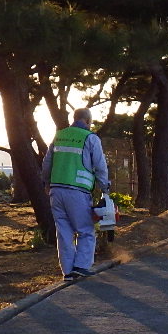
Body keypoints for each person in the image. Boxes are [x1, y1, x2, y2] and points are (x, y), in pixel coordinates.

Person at [40, 108, 110, 282]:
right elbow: (100, 166)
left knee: (63, 232)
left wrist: (47, 183)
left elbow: (47, 163)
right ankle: (81, 266)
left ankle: (68, 272)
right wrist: (105, 188)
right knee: (86, 229)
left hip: (56, 190)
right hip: (77, 190)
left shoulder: (59, 136)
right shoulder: (90, 138)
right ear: (88, 121)